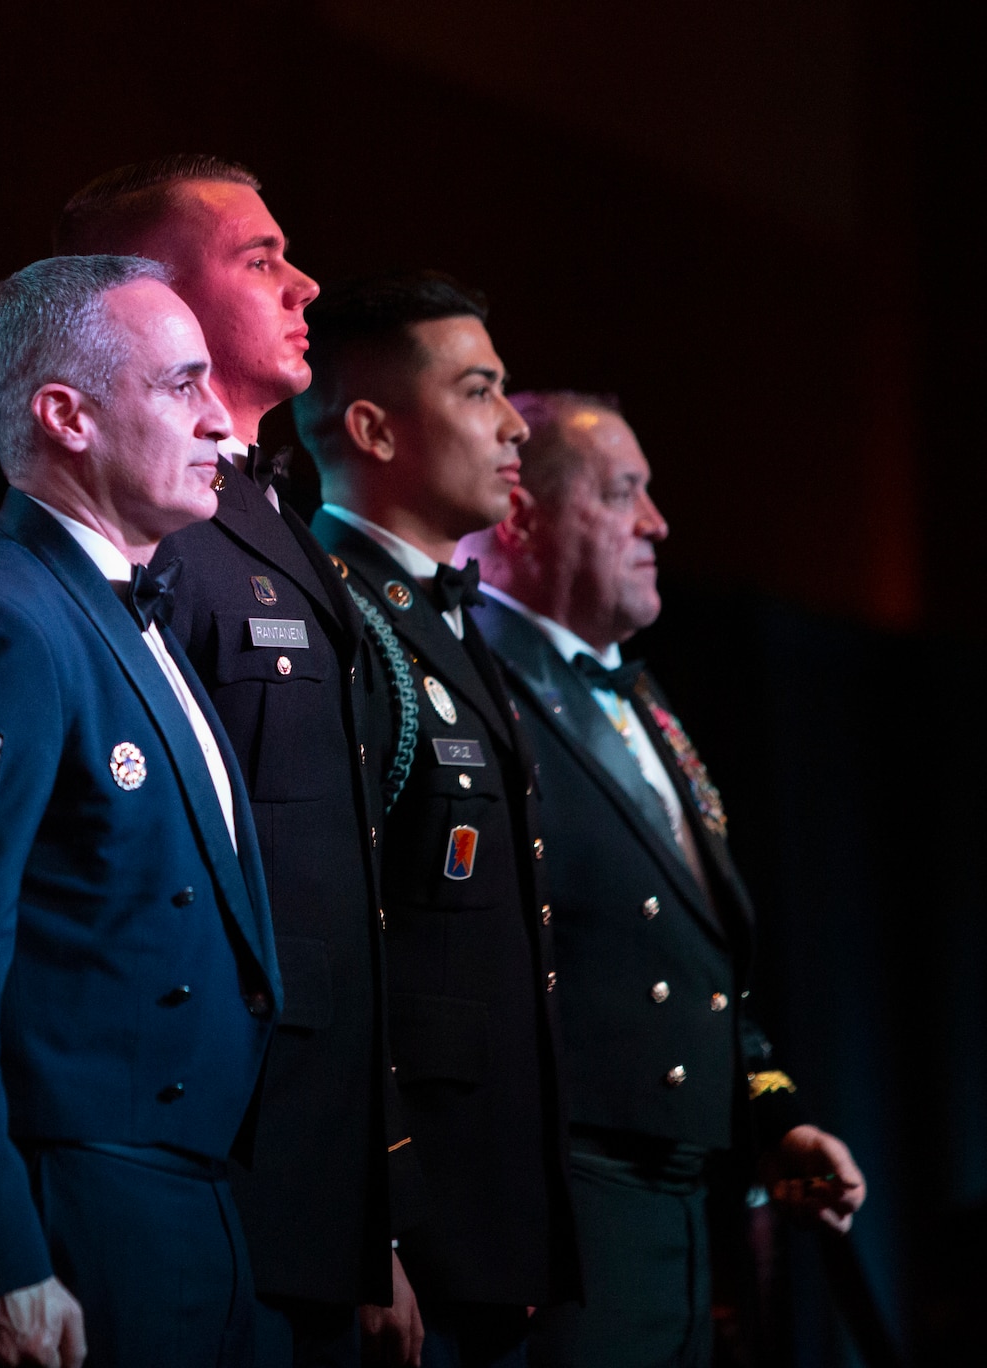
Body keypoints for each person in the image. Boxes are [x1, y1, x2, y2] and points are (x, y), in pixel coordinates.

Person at [0, 254, 280, 1368]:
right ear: (66, 415)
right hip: (71, 1209)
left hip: (195, 1201)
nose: (222, 426)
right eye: (180, 386)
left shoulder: (127, 606)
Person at [59, 157, 417, 1366]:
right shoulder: (153, 534)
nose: (303, 282)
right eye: (258, 259)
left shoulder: (265, 521)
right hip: (212, 1160)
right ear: (151, 294)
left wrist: (372, 1223)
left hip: (308, 1178)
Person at [459, 392, 867, 1368]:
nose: (657, 524)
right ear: (519, 516)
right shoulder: (471, 679)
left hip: (686, 1201)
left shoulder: (635, 691)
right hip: (558, 1201)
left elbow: (693, 946)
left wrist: (770, 1111)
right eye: (623, 493)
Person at [298, 271, 580, 1367]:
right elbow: (337, 945)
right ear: (370, 427)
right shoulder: (335, 615)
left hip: (493, 1216)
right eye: (477, 391)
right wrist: (374, 1215)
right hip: (416, 1227)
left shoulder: (441, 621)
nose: (513, 424)